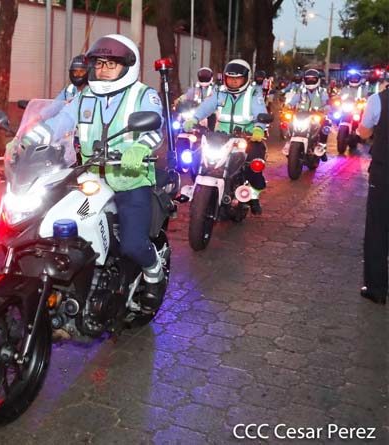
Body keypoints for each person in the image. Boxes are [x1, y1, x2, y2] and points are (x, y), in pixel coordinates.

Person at [21, 34, 166, 311]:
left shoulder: (143, 95)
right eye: (99, 64)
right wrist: (27, 139)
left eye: (110, 64)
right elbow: (59, 121)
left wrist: (136, 149)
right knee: (52, 223)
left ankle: (153, 273)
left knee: (133, 243)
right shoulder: (85, 95)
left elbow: (153, 130)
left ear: (127, 66)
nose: (102, 69)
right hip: (89, 176)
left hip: (129, 180)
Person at [183, 59, 269, 215]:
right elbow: (207, 106)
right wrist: (194, 119)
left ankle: (254, 195)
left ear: (246, 78)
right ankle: (197, 188)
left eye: (237, 78)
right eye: (230, 78)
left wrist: (259, 129)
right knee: (196, 157)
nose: (234, 82)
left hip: (247, 137)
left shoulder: (254, 93)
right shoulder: (219, 92)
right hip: (220, 137)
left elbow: (260, 111)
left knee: (255, 165)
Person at [357, 70, 389, 305]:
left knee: (378, 228)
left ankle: (377, 289)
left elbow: (364, 131)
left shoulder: (378, 100)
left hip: (384, 170)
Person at [287, 69, 330, 161]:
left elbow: (326, 102)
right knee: (289, 123)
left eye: (313, 79)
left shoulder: (322, 91)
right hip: (301, 115)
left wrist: (325, 109)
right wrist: (288, 106)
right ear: (304, 80)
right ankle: (289, 142)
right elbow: (294, 100)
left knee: (326, 125)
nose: (310, 81)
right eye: (308, 79)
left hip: (317, 115)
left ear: (318, 80)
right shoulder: (301, 91)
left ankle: (322, 147)